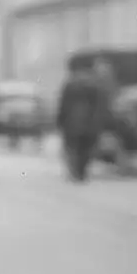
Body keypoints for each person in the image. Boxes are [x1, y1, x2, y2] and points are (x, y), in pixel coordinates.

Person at [57, 54, 111, 183]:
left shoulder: (70, 83)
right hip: (91, 123)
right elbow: (101, 105)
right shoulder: (96, 84)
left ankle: (75, 172)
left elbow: (63, 105)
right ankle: (82, 172)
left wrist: (59, 120)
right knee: (86, 149)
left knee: (73, 148)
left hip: (71, 122)